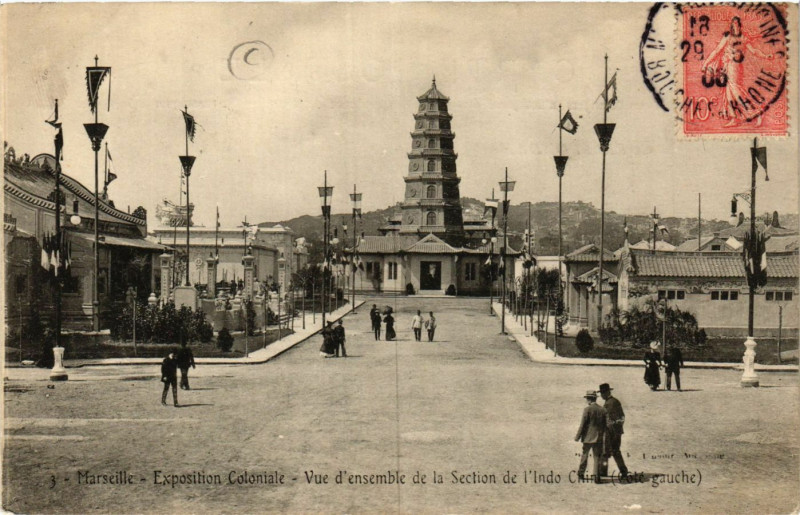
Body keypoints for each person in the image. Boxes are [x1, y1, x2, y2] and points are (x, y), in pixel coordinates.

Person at [598, 383, 629, 479]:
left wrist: (611, 431)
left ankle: (605, 471)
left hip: (611, 432)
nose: (601, 395)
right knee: (613, 452)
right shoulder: (615, 401)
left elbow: (609, 420)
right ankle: (622, 471)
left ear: (607, 392)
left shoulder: (609, 403)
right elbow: (622, 417)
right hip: (616, 431)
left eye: (602, 393)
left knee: (608, 452)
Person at [574, 390, 606, 483]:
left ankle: (581, 474)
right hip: (598, 438)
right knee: (597, 457)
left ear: (589, 399)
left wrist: (577, 437)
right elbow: (605, 425)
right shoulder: (602, 409)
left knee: (584, 456)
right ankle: (596, 477)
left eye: (587, 398)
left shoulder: (587, 409)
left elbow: (583, 425)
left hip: (587, 438)